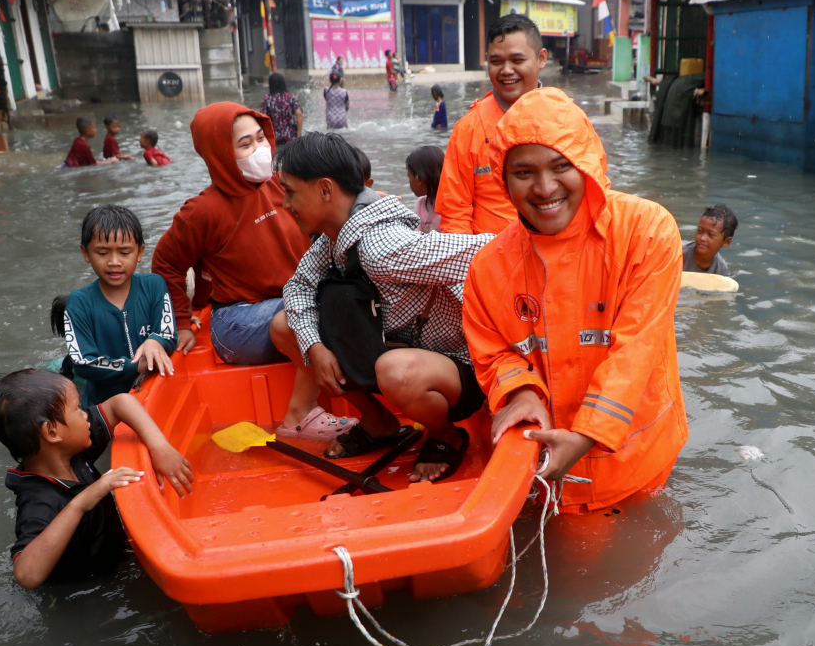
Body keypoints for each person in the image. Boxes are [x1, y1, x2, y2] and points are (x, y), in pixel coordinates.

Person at [462, 87, 688, 511]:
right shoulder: (487, 268)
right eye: (524, 172)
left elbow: (635, 351)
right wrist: (523, 394)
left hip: (638, 462)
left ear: (587, 163)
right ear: (502, 178)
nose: (545, 188)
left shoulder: (648, 231)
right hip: (546, 457)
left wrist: (586, 437)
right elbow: (494, 354)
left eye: (561, 165)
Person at [274, 133, 494, 481]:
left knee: (396, 371)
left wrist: (541, 232)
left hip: (451, 373)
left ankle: (444, 433)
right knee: (287, 327)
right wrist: (315, 347)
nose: (286, 204)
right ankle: (379, 422)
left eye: (290, 192)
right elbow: (298, 286)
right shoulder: (332, 240)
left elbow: (486, 252)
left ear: (326, 190)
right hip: (391, 355)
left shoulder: (382, 245)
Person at [151, 102, 354, 441]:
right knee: (309, 310)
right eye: (246, 143)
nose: (260, 149)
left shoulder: (283, 186)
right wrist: (182, 323)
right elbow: (166, 264)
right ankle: (298, 417)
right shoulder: (202, 212)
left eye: (261, 138)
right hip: (237, 322)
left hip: (293, 300)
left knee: (339, 299)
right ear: (219, 153)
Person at [0, 368, 193, 588]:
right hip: (88, 591)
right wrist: (81, 502)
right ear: (52, 433)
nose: (85, 414)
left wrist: (159, 446)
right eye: (77, 409)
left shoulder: (70, 451)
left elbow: (121, 403)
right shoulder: (39, 502)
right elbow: (27, 575)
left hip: (115, 562)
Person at [436, 14, 550, 236]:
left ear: (541, 58)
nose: (506, 70)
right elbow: (454, 213)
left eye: (517, 60)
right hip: (490, 257)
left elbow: (591, 194)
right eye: (496, 62)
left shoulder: (566, 118)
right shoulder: (468, 129)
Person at [60, 205, 176, 404]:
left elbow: (168, 333)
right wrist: (136, 366)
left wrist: (155, 340)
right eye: (103, 253)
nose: (114, 262)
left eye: (124, 252)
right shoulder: (79, 302)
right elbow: (84, 363)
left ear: (139, 253)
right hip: (105, 406)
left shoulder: (154, 286)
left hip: (154, 393)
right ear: (86, 253)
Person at [260, 72, 302, 163]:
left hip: (274, 136)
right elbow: (299, 114)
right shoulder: (291, 97)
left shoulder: (267, 99)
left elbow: (262, 118)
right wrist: (299, 134)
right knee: (291, 162)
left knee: (276, 162)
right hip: (290, 135)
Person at [683, 204, 736, 275]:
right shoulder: (678, 253)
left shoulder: (720, 270)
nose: (702, 238)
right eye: (699, 231)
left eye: (711, 235)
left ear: (726, 242)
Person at [406, 145, 444, 232]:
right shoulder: (421, 204)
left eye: (409, 176)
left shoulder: (451, 206)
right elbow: (416, 235)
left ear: (419, 178)